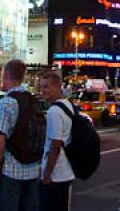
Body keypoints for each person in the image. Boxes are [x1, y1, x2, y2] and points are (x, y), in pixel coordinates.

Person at [0, 60, 40, 211]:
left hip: (10, 173)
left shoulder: (6, 103)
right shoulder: (33, 100)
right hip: (33, 171)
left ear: (7, 75)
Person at [40, 72, 76, 211]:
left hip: (57, 175)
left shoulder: (54, 112)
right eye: (42, 87)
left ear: (57, 87)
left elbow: (55, 144)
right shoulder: (68, 105)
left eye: (46, 87)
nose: (43, 91)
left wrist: (47, 174)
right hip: (67, 171)